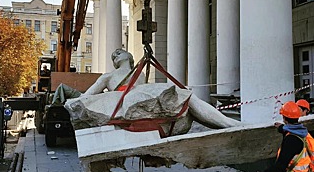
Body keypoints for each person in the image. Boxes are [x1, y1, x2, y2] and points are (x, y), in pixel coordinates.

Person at [59, 48, 240, 129]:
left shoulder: (141, 74)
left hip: (143, 97)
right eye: (114, 55)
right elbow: (88, 95)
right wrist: (70, 95)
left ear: (129, 56)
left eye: (120, 51)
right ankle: (230, 124)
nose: (116, 53)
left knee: (187, 96)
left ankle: (228, 124)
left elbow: (145, 90)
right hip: (126, 102)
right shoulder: (108, 76)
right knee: (185, 96)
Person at [296, 99, 314, 172]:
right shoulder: (303, 124)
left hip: (310, 161)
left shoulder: (307, 125)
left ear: (305, 111)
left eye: (299, 109)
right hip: (307, 160)